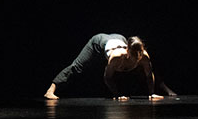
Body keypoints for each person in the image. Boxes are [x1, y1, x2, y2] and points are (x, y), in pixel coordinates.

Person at [44, 33, 176, 100]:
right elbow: (107, 77)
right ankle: (50, 90)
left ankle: (164, 88)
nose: (139, 57)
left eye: (140, 54)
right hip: (99, 42)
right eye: (135, 55)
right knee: (78, 66)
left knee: (146, 67)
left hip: (119, 38)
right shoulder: (117, 57)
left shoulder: (143, 56)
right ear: (128, 51)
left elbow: (148, 74)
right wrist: (118, 95)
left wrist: (151, 93)